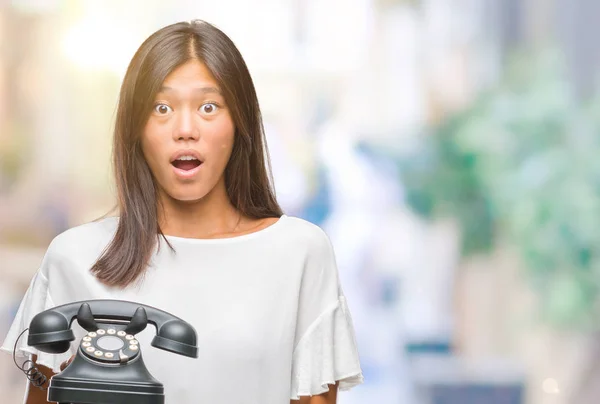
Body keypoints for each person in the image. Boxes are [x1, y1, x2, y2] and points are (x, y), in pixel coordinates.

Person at [0, 20, 363, 404]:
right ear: (135, 129)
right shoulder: (73, 256)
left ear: (239, 122)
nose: (185, 129)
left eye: (209, 107)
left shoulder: (301, 251)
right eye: (162, 108)